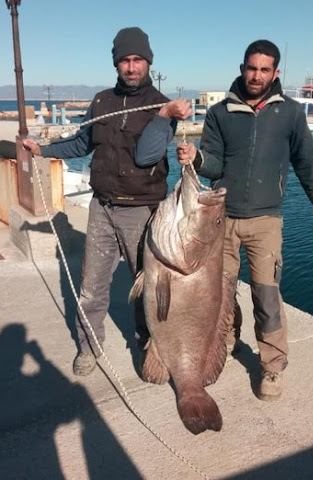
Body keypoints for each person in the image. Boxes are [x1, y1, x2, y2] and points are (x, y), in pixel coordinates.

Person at [24, 27, 192, 376]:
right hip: (102, 206)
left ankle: (152, 348)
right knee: (91, 286)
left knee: (147, 288)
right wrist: (42, 150)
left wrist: (163, 118)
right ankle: (89, 346)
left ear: (148, 62)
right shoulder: (101, 101)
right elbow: (81, 143)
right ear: (116, 64)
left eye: (137, 60)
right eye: (124, 61)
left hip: (142, 212)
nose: (131, 68)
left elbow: (148, 157)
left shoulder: (163, 105)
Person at [176, 39, 313, 400]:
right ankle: (225, 343)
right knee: (219, 293)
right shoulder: (220, 113)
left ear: (275, 73)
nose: (256, 75)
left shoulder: (291, 113)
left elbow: (305, 160)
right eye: (251, 68)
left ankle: (273, 366)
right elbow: (214, 163)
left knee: (266, 296)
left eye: (264, 70)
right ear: (242, 67)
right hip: (222, 219)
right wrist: (196, 157)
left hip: (266, 222)